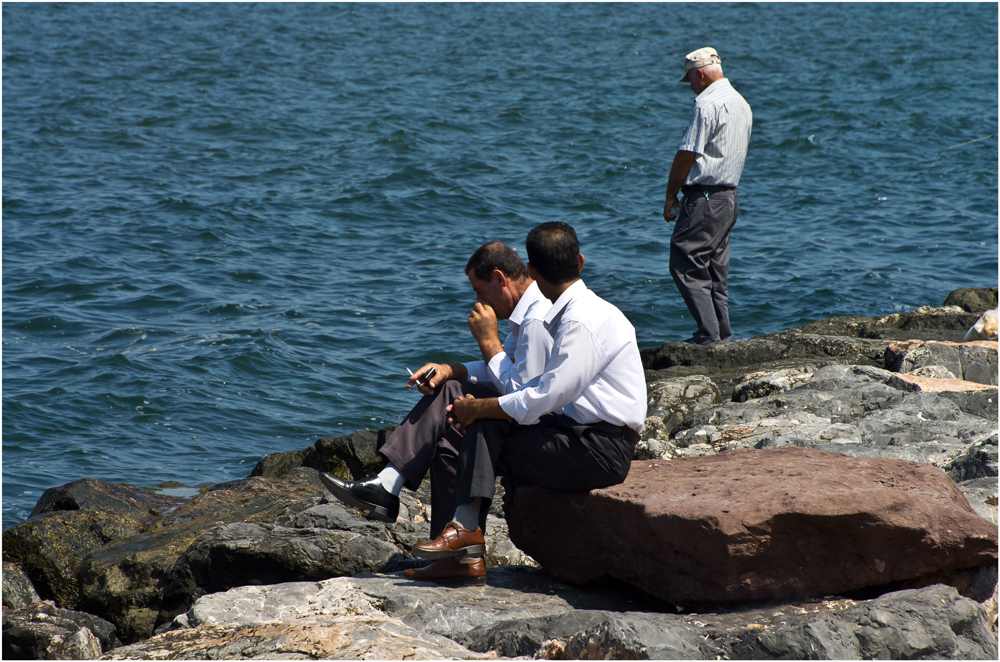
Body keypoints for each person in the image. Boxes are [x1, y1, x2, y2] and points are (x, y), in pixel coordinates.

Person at [401, 221, 647, 586]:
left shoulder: (581, 320)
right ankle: (460, 551)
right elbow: (537, 394)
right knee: (462, 432)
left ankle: (463, 541)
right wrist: (465, 388)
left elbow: (543, 397)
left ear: (531, 271)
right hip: (575, 435)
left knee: (479, 422)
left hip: (598, 450)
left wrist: (479, 407)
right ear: (580, 261)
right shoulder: (573, 312)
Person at [319, 241, 553, 545]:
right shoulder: (525, 314)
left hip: (548, 431)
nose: (478, 300)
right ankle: (451, 552)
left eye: (479, 290)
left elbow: (519, 393)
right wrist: (450, 369)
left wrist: (487, 340)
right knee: (449, 441)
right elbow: (505, 367)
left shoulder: (536, 318)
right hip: (531, 416)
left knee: (453, 395)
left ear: (499, 278)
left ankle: (387, 485)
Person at [662, 47, 752, 346]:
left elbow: (687, 154)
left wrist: (670, 195)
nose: (689, 85)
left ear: (700, 74)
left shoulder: (706, 105)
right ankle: (722, 335)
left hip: (705, 197)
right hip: (729, 198)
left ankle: (708, 335)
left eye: (689, 78)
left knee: (684, 260)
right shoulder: (741, 103)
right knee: (714, 269)